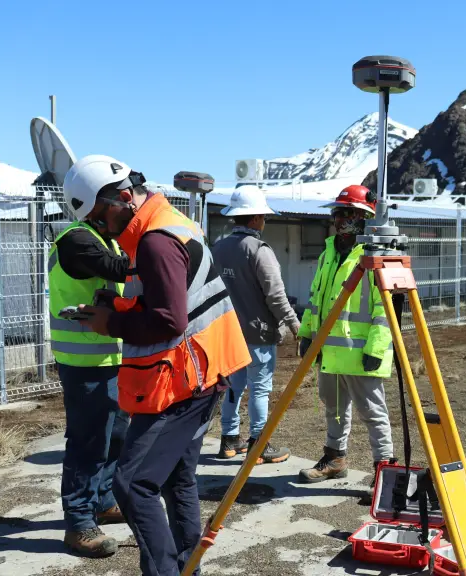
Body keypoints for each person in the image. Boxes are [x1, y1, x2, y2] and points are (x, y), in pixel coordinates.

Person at [72, 154, 251, 576]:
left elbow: (170, 319)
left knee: (132, 483)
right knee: (176, 478)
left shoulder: (154, 240)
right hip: (203, 371)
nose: (100, 227)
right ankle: (190, 566)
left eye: (100, 216)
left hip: (183, 380)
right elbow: (169, 297)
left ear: (122, 197)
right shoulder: (166, 223)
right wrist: (114, 305)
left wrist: (110, 323)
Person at [50, 163, 133, 558]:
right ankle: (79, 522)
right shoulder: (77, 241)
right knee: (87, 442)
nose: (129, 201)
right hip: (83, 365)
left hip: (109, 360)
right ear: (95, 202)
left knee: (115, 435)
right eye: (120, 195)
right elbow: (117, 270)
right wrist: (161, 245)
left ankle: (102, 500)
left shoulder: (108, 239)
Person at [296, 184, 396, 484]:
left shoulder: (375, 254)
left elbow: (385, 307)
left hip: (360, 351)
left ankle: (384, 476)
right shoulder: (330, 251)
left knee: (373, 414)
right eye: (337, 213)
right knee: (335, 408)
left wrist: (376, 349)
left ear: (364, 217)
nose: (339, 219)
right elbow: (317, 297)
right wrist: (307, 333)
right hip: (330, 350)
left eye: (347, 213)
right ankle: (335, 459)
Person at [211, 186, 299, 464]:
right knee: (260, 387)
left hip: (227, 332)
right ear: (253, 219)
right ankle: (258, 443)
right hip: (257, 332)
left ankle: (229, 439)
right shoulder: (259, 250)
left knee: (234, 385)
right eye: (262, 216)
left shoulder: (218, 248)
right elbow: (275, 295)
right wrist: (295, 324)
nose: (263, 221)